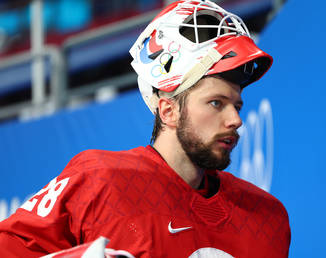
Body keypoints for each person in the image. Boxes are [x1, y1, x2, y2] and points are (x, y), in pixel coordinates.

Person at [0, 0, 291, 257]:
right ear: (168, 110)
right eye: (216, 103)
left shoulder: (268, 218)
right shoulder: (99, 181)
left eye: (236, 106)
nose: (235, 120)